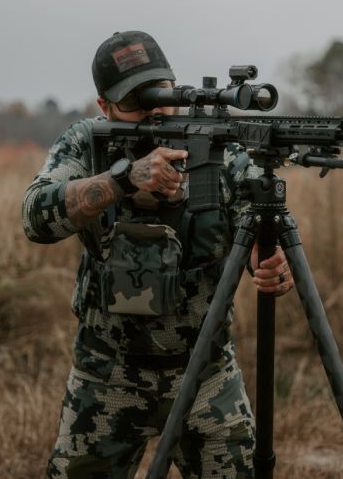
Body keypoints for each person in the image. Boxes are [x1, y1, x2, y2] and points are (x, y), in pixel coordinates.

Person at [22, 30, 294, 478]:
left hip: (206, 374)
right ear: (103, 107)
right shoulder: (85, 143)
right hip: (108, 375)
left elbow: (257, 222)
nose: (154, 110)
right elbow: (35, 216)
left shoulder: (219, 150)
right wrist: (123, 179)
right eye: (135, 100)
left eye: (162, 94)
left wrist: (270, 262)